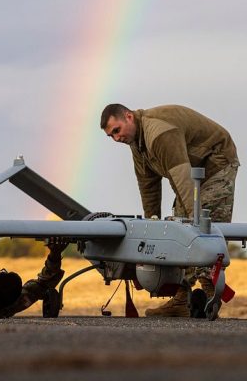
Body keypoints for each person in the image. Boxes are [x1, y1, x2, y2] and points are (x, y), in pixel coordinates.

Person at [100, 103, 239, 317]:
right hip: (193, 172)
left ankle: (209, 296)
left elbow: (181, 178)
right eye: (111, 136)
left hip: (217, 163)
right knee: (179, 223)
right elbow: (149, 188)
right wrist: (151, 229)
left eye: (116, 131)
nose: (116, 139)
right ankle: (182, 299)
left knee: (201, 223)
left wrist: (194, 226)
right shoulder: (137, 144)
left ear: (128, 117)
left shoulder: (158, 133)